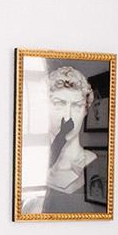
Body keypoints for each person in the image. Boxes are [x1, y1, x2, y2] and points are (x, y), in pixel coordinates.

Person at [23, 63, 98, 214]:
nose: (68, 117)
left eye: (77, 106)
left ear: (85, 110)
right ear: (45, 107)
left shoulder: (93, 164)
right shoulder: (35, 165)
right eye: (59, 104)